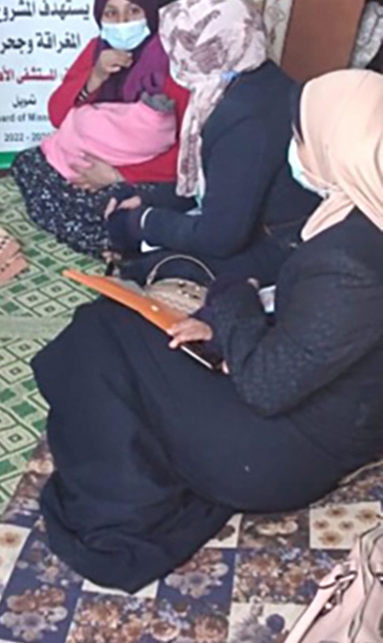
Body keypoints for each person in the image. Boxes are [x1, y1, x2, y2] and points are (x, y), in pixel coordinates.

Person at [33, 67, 383, 592]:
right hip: (315, 410)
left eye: (301, 135)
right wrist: (223, 328)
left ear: (341, 144)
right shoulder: (359, 211)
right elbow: (323, 337)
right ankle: (142, 472)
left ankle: (120, 511)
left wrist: (233, 297)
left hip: (282, 451)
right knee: (130, 332)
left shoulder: (351, 258)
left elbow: (266, 387)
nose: (293, 150)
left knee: (100, 335)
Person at [106, 0, 317, 286]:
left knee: (150, 268)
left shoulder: (245, 118)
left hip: (282, 248)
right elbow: (214, 182)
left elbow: (221, 237)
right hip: (255, 222)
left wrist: (143, 222)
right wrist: (149, 200)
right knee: (133, 224)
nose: (173, 61)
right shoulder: (260, 80)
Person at [11, 0, 189, 256]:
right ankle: (110, 239)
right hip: (92, 157)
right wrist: (95, 76)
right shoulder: (97, 50)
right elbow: (57, 116)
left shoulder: (173, 63)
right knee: (27, 163)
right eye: (111, 14)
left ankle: (113, 240)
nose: (122, 23)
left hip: (146, 169)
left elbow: (187, 150)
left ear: (151, 14)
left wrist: (117, 175)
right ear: (99, 18)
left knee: (110, 204)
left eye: (133, 12)